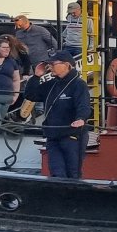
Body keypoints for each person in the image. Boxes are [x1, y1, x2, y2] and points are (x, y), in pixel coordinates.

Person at [37, 51, 91, 179]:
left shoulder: (79, 84)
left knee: (73, 173)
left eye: (53, 64)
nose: (50, 67)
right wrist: (36, 76)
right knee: (56, 172)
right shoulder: (52, 84)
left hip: (71, 135)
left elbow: (83, 104)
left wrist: (81, 119)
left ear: (66, 65)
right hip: (53, 135)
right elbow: (31, 95)